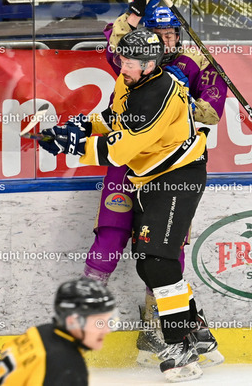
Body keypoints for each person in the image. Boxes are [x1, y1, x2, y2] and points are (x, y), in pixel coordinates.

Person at [38, 28, 211, 382]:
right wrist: (81, 126)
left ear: (150, 64)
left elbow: (119, 151)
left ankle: (180, 344)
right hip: (150, 178)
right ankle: (196, 330)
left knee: (159, 262)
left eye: (131, 62)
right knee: (148, 263)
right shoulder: (129, 82)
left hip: (179, 177)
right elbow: (115, 117)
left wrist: (72, 145)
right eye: (123, 59)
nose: (124, 66)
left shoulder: (159, 95)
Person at [81, 0, 226, 370]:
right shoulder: (134, 60)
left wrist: (174, 99)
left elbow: (212, 111)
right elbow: (117, 41)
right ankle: (86, 321)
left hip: (170, 168)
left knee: (162, 253)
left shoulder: (198, 62)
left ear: (179, 35)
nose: (163, 41)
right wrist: (137, 4)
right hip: (127, 162)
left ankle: (159, 328)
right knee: (112, 234)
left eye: (169, 34)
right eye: (155, 34)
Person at [0, 277, 116, 386]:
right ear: (73, 322)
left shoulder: (41, 332)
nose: (107, 330)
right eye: (98, 323)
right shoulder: (67, 366)